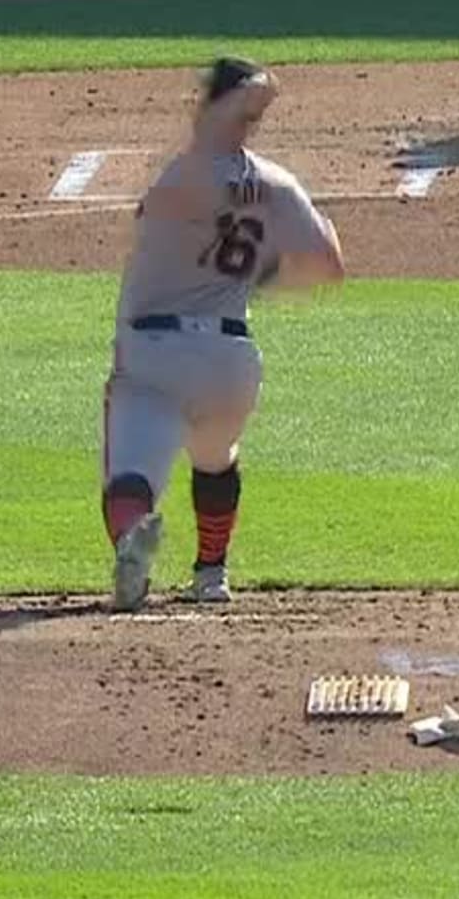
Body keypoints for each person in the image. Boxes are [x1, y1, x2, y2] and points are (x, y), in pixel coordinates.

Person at [101, 57, 346, 611]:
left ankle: (131, 543)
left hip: (154, 353)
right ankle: (212, 575)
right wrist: (263, 275)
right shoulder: (279, 184)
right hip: (232, 360)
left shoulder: (181, 174)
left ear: (207, 105)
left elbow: (169, 209)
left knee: (130, 477)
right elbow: (328, 263)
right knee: (217, 458)